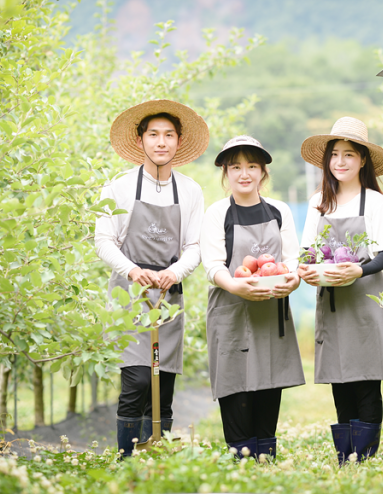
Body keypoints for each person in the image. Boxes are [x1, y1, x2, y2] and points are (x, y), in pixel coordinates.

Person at [95, 100, 208, 457]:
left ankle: (155, 458)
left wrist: (173, 272)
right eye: (154, 134)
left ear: (178, 142)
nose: (161, 142)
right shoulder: (119, 187)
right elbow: (103, 240)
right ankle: (127, 457)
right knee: (138, 380)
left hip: (168, 296)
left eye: (169, 135)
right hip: (129, 295)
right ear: (141, 140)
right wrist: (133, 270)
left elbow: (194, 245)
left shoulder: (190, 190)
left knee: (163, 386)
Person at [297, 117, 383, 464]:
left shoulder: (375, 202)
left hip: (366, 301)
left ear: (363, 160)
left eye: (349, 155)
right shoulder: (318, 202)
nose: (340, 162)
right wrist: (307, 270)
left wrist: (357, 269)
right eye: (334, 155)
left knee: (367, 379)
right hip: (333, 301)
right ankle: (346, 456)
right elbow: (307, 252)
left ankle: (365, 457)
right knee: (340, 379)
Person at [200, 136, 305, 460]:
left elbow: (292, 259)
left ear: (263, 172)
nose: (244, 174)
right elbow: (213, 265)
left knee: (268, 380)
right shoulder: (218, 213)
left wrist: (292, 279)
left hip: (270, 306)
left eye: (251, 166)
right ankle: (240, 455)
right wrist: (235, 286)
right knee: (235, 381)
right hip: (231, 308)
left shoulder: (278, 210)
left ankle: (265, 455)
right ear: (225, 173)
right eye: (236, 167)